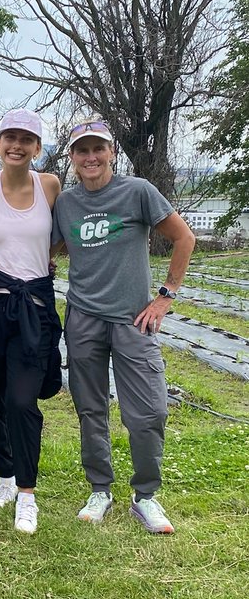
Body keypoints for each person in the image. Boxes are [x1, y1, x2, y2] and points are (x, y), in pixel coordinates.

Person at [51, 117, 195, 533]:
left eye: (98, 148)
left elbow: (184, 238)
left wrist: (165, 296)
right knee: (90, 408)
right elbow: (47, 245)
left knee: (149, 411)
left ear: (111, 152)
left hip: (133, 320)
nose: (91, 157)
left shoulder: (138, 191)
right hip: (83, 319)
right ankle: (100, 489)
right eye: (82, 150)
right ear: (72, 157)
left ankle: (145, 496)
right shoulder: (66, 203)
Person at [0, 108, 62, 535]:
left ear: (37, 147)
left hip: (33, 309)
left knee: (22, 401)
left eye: (26, 139)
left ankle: (26, 493)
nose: (16, 146)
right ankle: (4, 476)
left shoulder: (50, 186)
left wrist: (41, 262)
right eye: (10, 138)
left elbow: (57, 235)